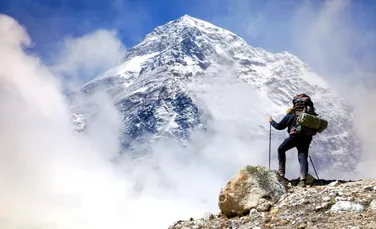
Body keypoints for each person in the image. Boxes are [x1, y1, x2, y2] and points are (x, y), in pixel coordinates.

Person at [268, 107, 312, 186]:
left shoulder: (289, 116)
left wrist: (271, 122)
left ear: (289, 112)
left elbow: (279, 126)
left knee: (281, 149)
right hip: (306, 138)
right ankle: (303, 179)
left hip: (295, 137)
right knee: (302, 155)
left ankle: (281, 172)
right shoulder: (304, 117)